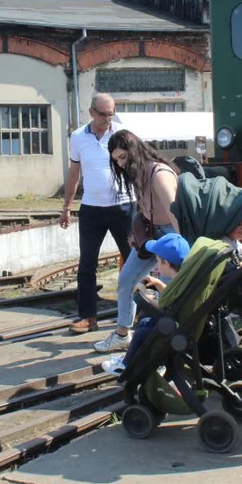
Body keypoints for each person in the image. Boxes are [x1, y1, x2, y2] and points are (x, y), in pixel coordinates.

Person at [93, 130, 179, 353]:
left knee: (170, 290)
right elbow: (145, 206)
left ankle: (172, 337)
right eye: (116, 160)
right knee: (127, 280)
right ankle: (122, 334)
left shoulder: (158, 173)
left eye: (123, 157)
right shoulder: (139, 174)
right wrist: (136, 232)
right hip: (151, 234)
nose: (121, 164)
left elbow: (175, 212)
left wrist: (181, 251)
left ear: (134, 150)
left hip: (170, 234)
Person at [60, 93, 134, 335]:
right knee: (87, 264)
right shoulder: (78, 137)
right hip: (92, 208)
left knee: (135, 261)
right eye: (102, 114)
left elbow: (138, 166)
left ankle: (141, 312)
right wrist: (67, 206)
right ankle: (88, 317)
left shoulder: (123, 133)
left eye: (110, 113)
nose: (106, 119)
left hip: (124, 206)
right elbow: (74, 173)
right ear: (91, 112)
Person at [99, 232, 191, 375]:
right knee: (146, 322)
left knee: (144, 328)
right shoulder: (183, 278)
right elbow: (170, 296)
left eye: (158, 261)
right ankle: (141, 361)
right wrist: (159, 284)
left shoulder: (177, 284)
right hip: (179, 322)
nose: (156, 265)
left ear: (166, 263)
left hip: (173, 327)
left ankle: (127, 364)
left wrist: (144, 293)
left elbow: (163, 306)